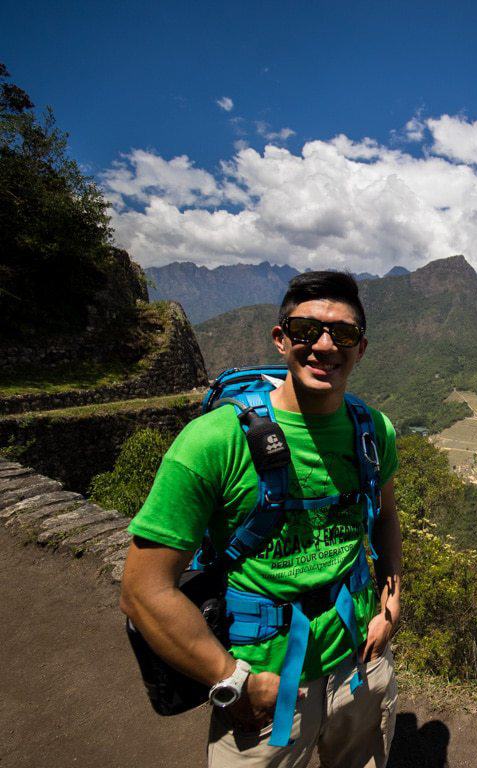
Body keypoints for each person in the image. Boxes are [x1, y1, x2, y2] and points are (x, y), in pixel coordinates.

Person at [120, 271, 401, 768]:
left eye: (344, 334)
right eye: (305, 330)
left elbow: (385, 518)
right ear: (280, 339)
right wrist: (230, 680)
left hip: (359, 662)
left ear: (361, 349)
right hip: (265, 687)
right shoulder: (212, 443)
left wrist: (391, 603)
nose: (324, 344)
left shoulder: (372, 432)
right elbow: (143, 590)